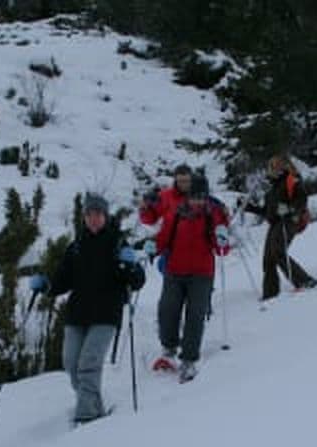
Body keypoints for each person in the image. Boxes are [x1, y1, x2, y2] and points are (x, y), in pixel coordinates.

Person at [30, 192, 145, 425]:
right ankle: (92, 403)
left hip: (106, 314)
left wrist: (131, 266)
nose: (94, 219)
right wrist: (46, 285)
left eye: (98, 214)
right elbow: (63, 280)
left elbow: (137, 282)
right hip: (78, 313)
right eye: (89, 214)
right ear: (84, 217)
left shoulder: (117, 244)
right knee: (71, 363)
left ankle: (86, 417)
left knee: (89, 364)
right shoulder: (76, 246)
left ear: (105, 216)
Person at [143, 172, 230, 383]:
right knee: (167, 310)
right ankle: (169, 348)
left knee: (195, 315)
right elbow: (163, 238)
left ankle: (189, 359)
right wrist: (153, 246)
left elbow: (222, 249)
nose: (197, 201)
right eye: (194, 197)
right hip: (174, 271)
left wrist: (222, 240)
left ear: (206, 197)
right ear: (187, 197)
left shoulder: (213, 216)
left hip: (202, 274)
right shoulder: (176, 214)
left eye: (201, 197)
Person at [242, 155, 317, 300]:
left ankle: (304, 281)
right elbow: (267, 211)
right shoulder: (272, 188)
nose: (275, 169)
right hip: (276, 222)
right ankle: (270, 292)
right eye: (272, 166)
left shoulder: (292, 180)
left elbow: (301, 200)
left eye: (278, 166)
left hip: (289, 220)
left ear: (286, 166)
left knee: (278, 250)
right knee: (268, 258)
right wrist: (250, 208)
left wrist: (290, 209)